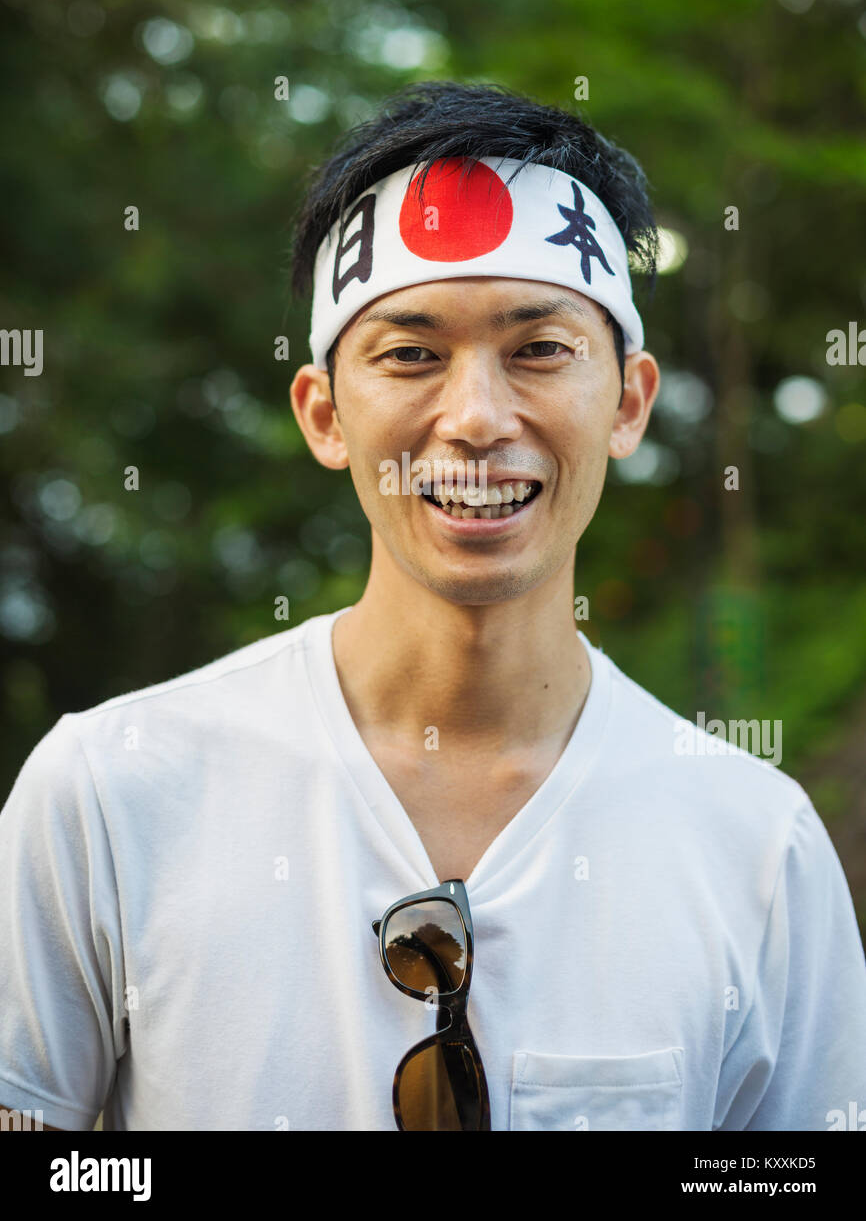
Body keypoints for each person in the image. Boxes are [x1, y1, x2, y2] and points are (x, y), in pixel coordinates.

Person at [1, 82, 864, 1132]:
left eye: (538, 348)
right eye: (410, 353)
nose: (474, 417)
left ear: (629, 402)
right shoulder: (111, 792)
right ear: (324, 413)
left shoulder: (753, 846)